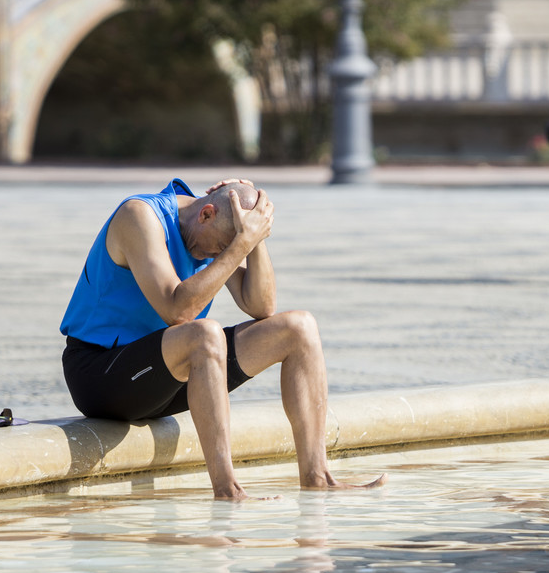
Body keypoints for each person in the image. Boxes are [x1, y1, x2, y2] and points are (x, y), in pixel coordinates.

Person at [59, 178, 386, 500]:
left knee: (299, 328)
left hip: (167, 376)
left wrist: (255, 234)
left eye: (228, 249)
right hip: (101, 376)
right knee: (204, 333)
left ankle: (317, 477)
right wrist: (240, 244)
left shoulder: (212, 231)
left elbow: (261, 306)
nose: (217, 255)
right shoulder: (139, 217)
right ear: (206, 214)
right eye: (220, 248)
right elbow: (178, 311)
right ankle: (227, 489)